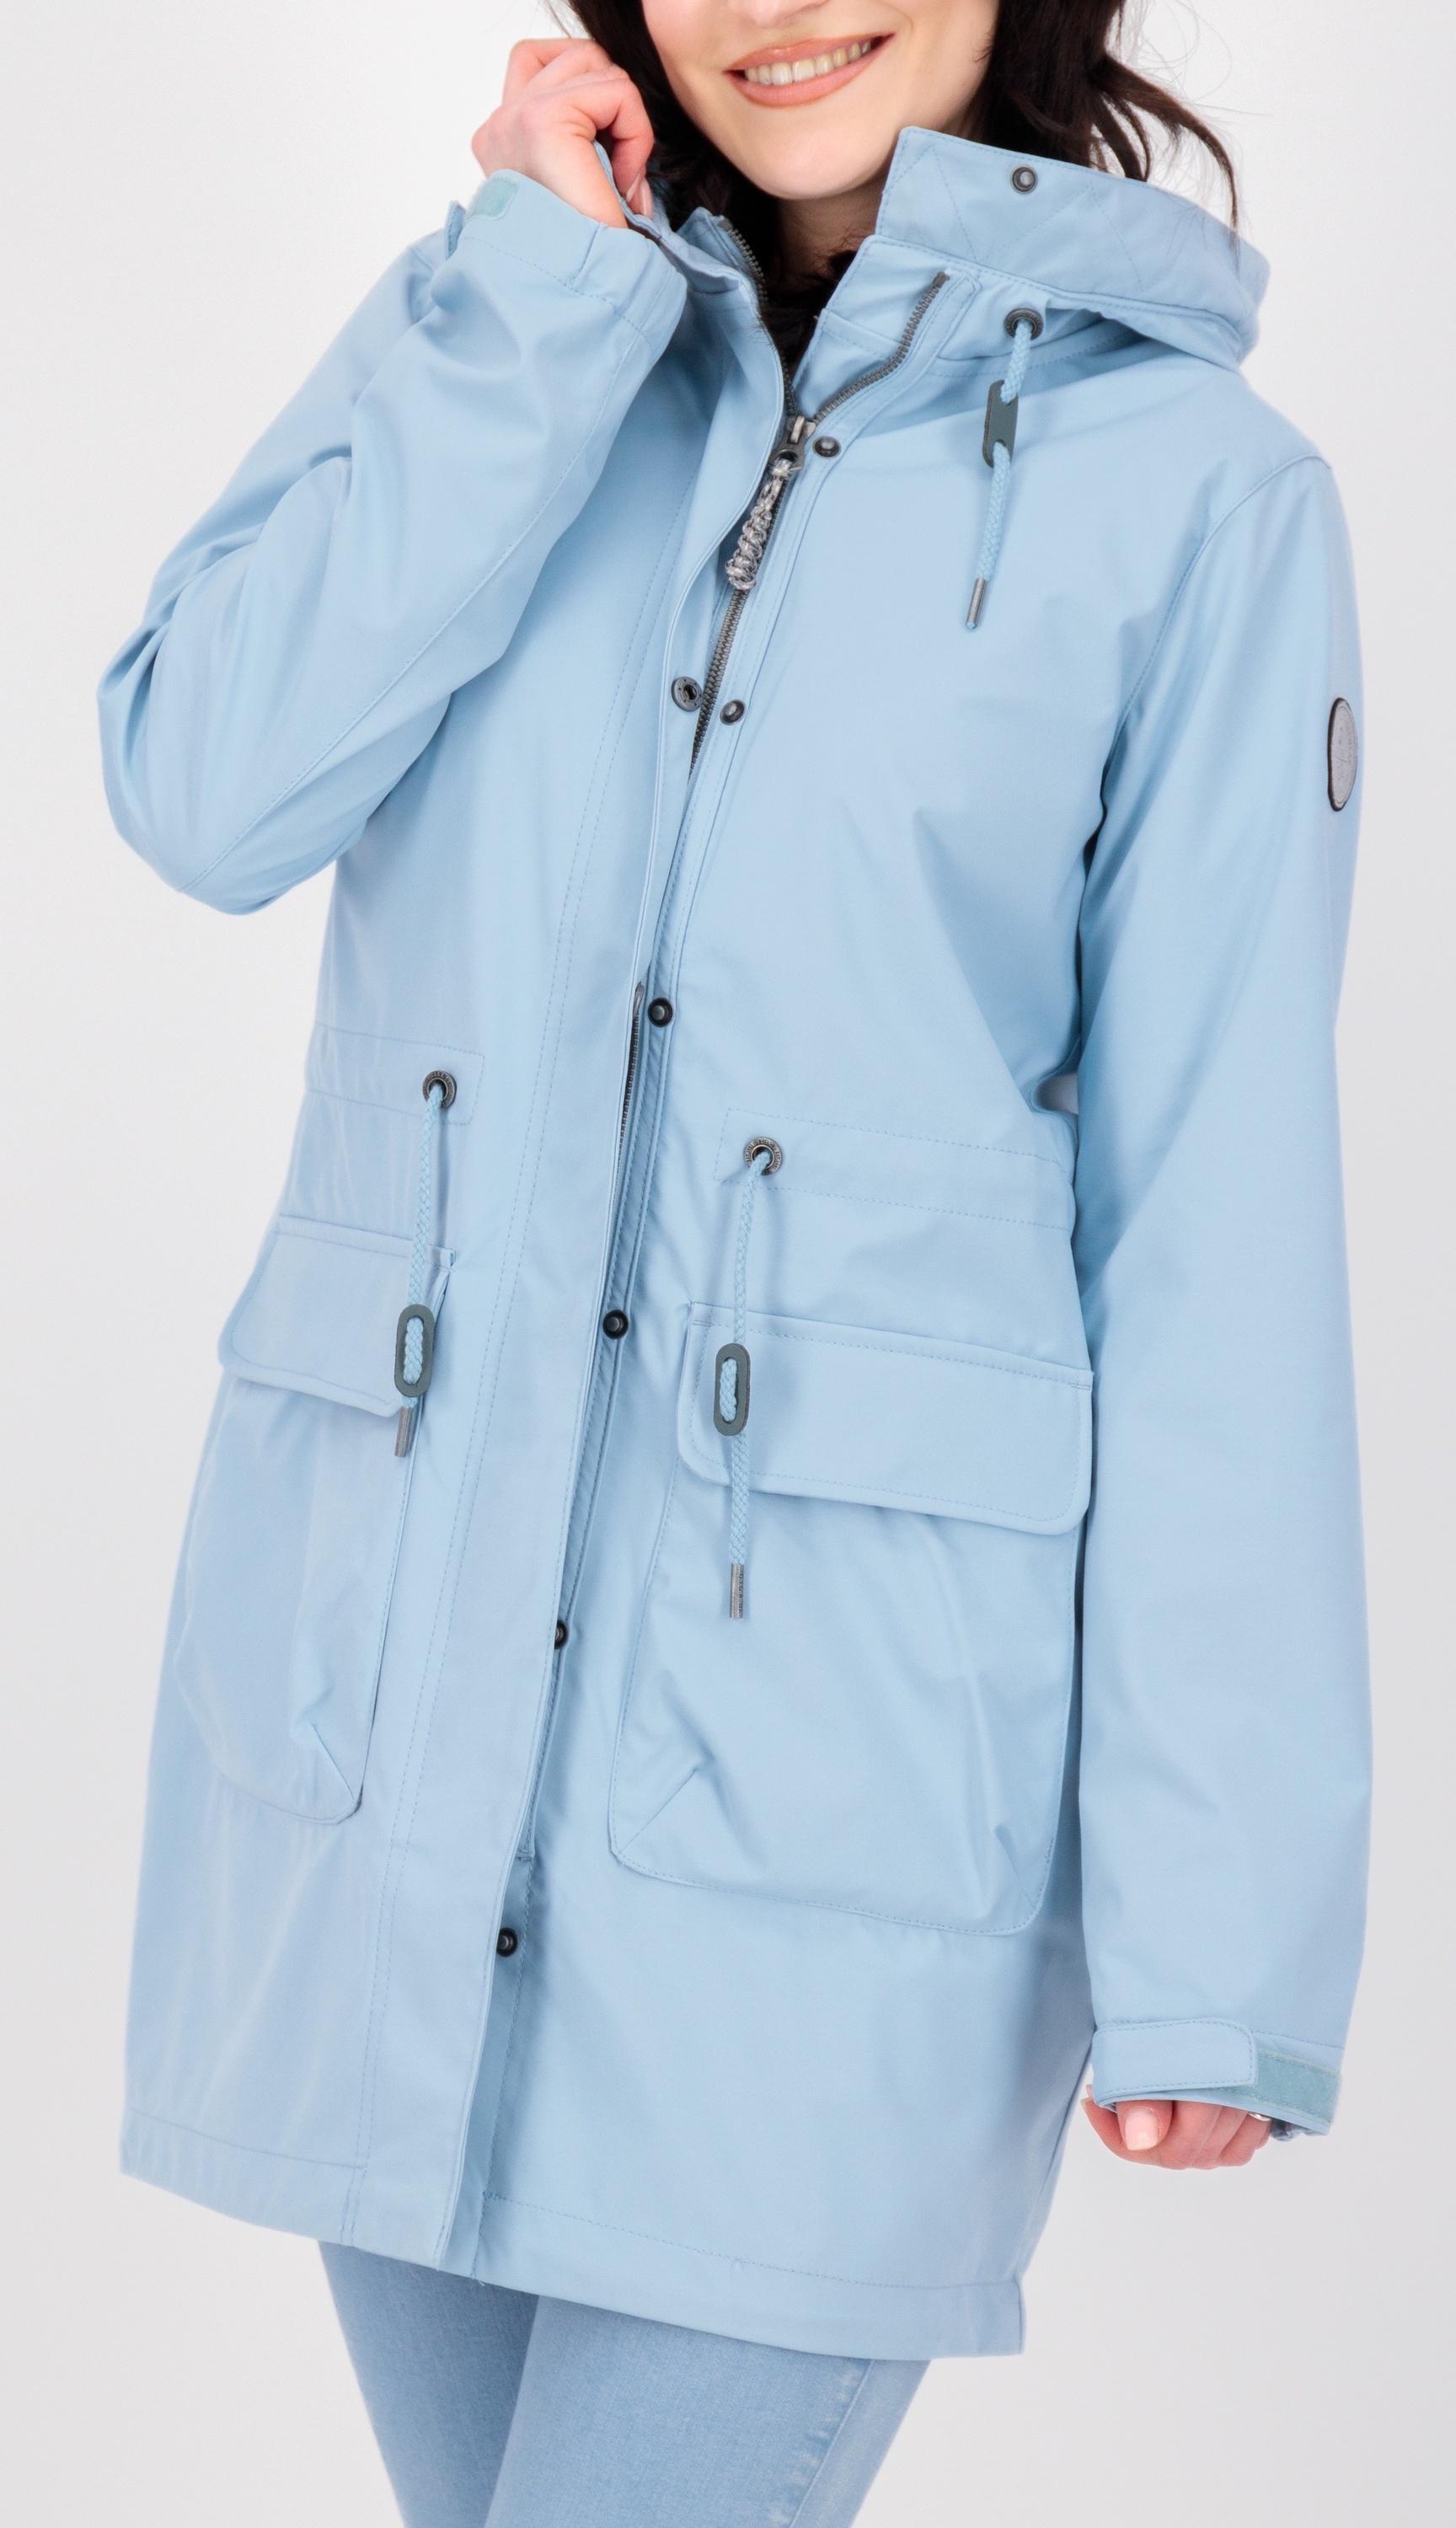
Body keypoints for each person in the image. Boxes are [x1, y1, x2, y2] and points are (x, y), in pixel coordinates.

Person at [95, 4, 1371, 2522]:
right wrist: (520, 302)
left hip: (830, 1826)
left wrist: (1221, 1928)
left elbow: (1217, 1226)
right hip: (384, 1794)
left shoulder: (1203, 503)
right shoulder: (508, 329)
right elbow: (202, 785)